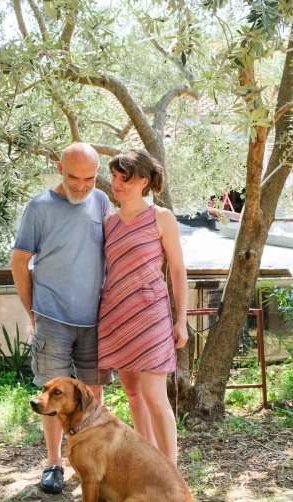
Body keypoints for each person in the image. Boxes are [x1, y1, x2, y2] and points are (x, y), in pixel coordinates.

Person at [10, 142, 112, 494]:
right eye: (73, 177)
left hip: (95, 318)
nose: (81, 186)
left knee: (93, 393)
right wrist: (32, 311)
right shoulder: (39, 208)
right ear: (59, 168)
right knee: (52, 396)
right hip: (52, 315)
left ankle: (93, 460)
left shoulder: (101, 201)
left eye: (89, 178)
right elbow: (18, 262)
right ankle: (54, 464)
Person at [98, 149, 188, 466]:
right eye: (114, 177)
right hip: (116, 315)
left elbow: (177, 270)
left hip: (152, 316)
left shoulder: (161, 218)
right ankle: (149, 465)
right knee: (134, 396)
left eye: (125, 178)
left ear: (144, 182)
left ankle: (171, 474)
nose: (116, 183)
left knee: (154, 396)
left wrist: (182, 321)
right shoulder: (108, 221)